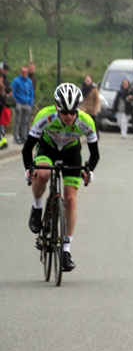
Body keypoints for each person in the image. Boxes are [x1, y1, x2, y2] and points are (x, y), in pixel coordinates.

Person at [23, 83, 99, 272]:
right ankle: (37, 206)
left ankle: (65, 250)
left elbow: (95, 154)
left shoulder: (86, 121)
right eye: (65, 112)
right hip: (47, 148)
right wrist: (28, 169)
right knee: (43, 173)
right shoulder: (45, 116)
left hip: (71, 151)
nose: (69, 116)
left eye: (73, 112)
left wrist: (88, 171)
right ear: (57, 107)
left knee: (71, 199)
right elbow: (27, 148)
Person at [11, 66, 34, 144]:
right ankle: (16, 137)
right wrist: (14, 103)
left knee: (25, 121)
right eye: (23, 72)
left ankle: (23, 137)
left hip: (27, 104)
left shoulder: (29, 81)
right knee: (17, 120)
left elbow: (31, 93)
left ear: (27, 73)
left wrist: (31, 103)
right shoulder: (16, 81)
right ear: (21, 72)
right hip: (18, 103)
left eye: (26, 72)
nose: (25, 73)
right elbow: (13, 92)